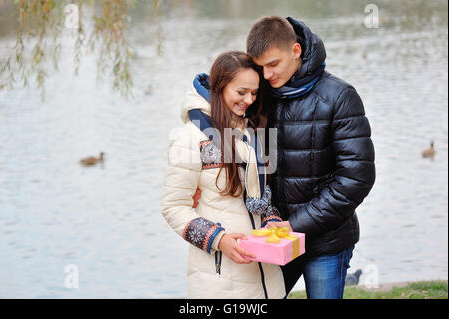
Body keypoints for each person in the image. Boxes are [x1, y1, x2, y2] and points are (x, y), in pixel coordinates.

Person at [246, 16, 376, 299]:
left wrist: (295, 225)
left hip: (327, 242)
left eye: (273, 64)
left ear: (296, 51)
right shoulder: (259, 96)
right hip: (273, 238)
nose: (266, 75)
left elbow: (356, 178)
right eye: (260, 67)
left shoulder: (340, 96)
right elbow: (220, 117)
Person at [161, 51, 286, 299]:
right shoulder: (189, 137)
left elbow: (260, 195)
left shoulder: (250, 131)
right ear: (219, 87)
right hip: (220, 279)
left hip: (267, 280)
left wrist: (271, 219)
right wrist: (220, 240)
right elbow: (173, 207)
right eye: (241, 92)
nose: (249, 100)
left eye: (254, 92)